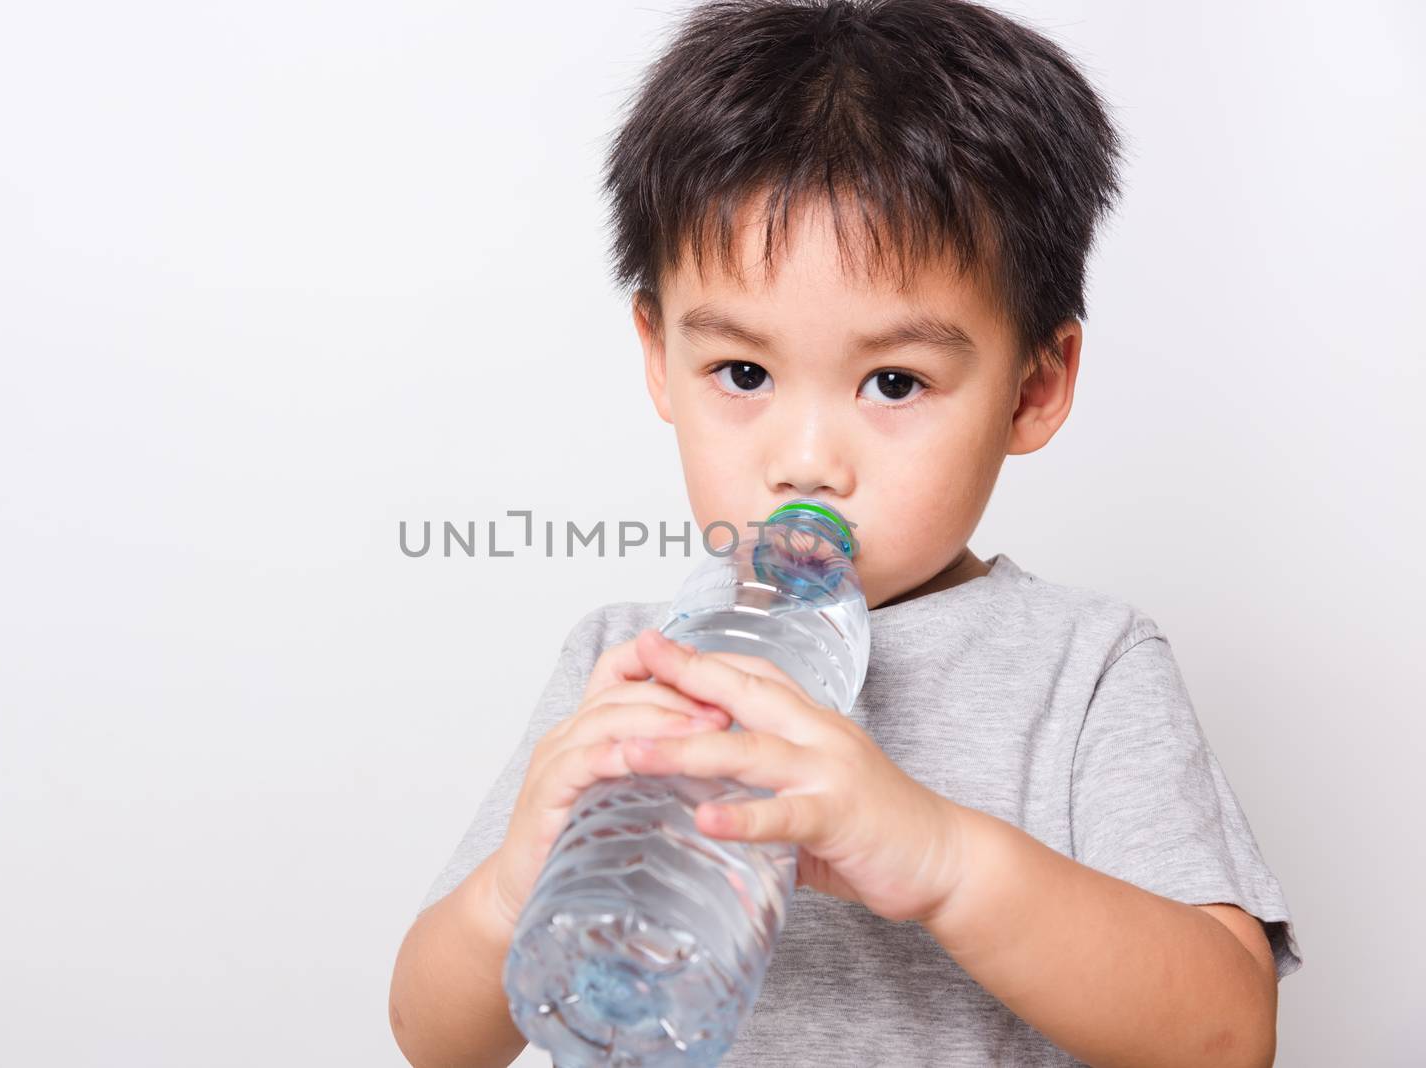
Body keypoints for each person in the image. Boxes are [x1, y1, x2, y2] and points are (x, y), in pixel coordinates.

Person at [389, 1, 1303, 1064]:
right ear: (658, 359)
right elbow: (434, 1040)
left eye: (892, 380)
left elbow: (1225, 1035)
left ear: (1031, 388)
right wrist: (510, 892)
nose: (808, 459)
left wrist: (945, 860)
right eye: (743, 374)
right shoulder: (628, 668)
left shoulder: (1084, 669)